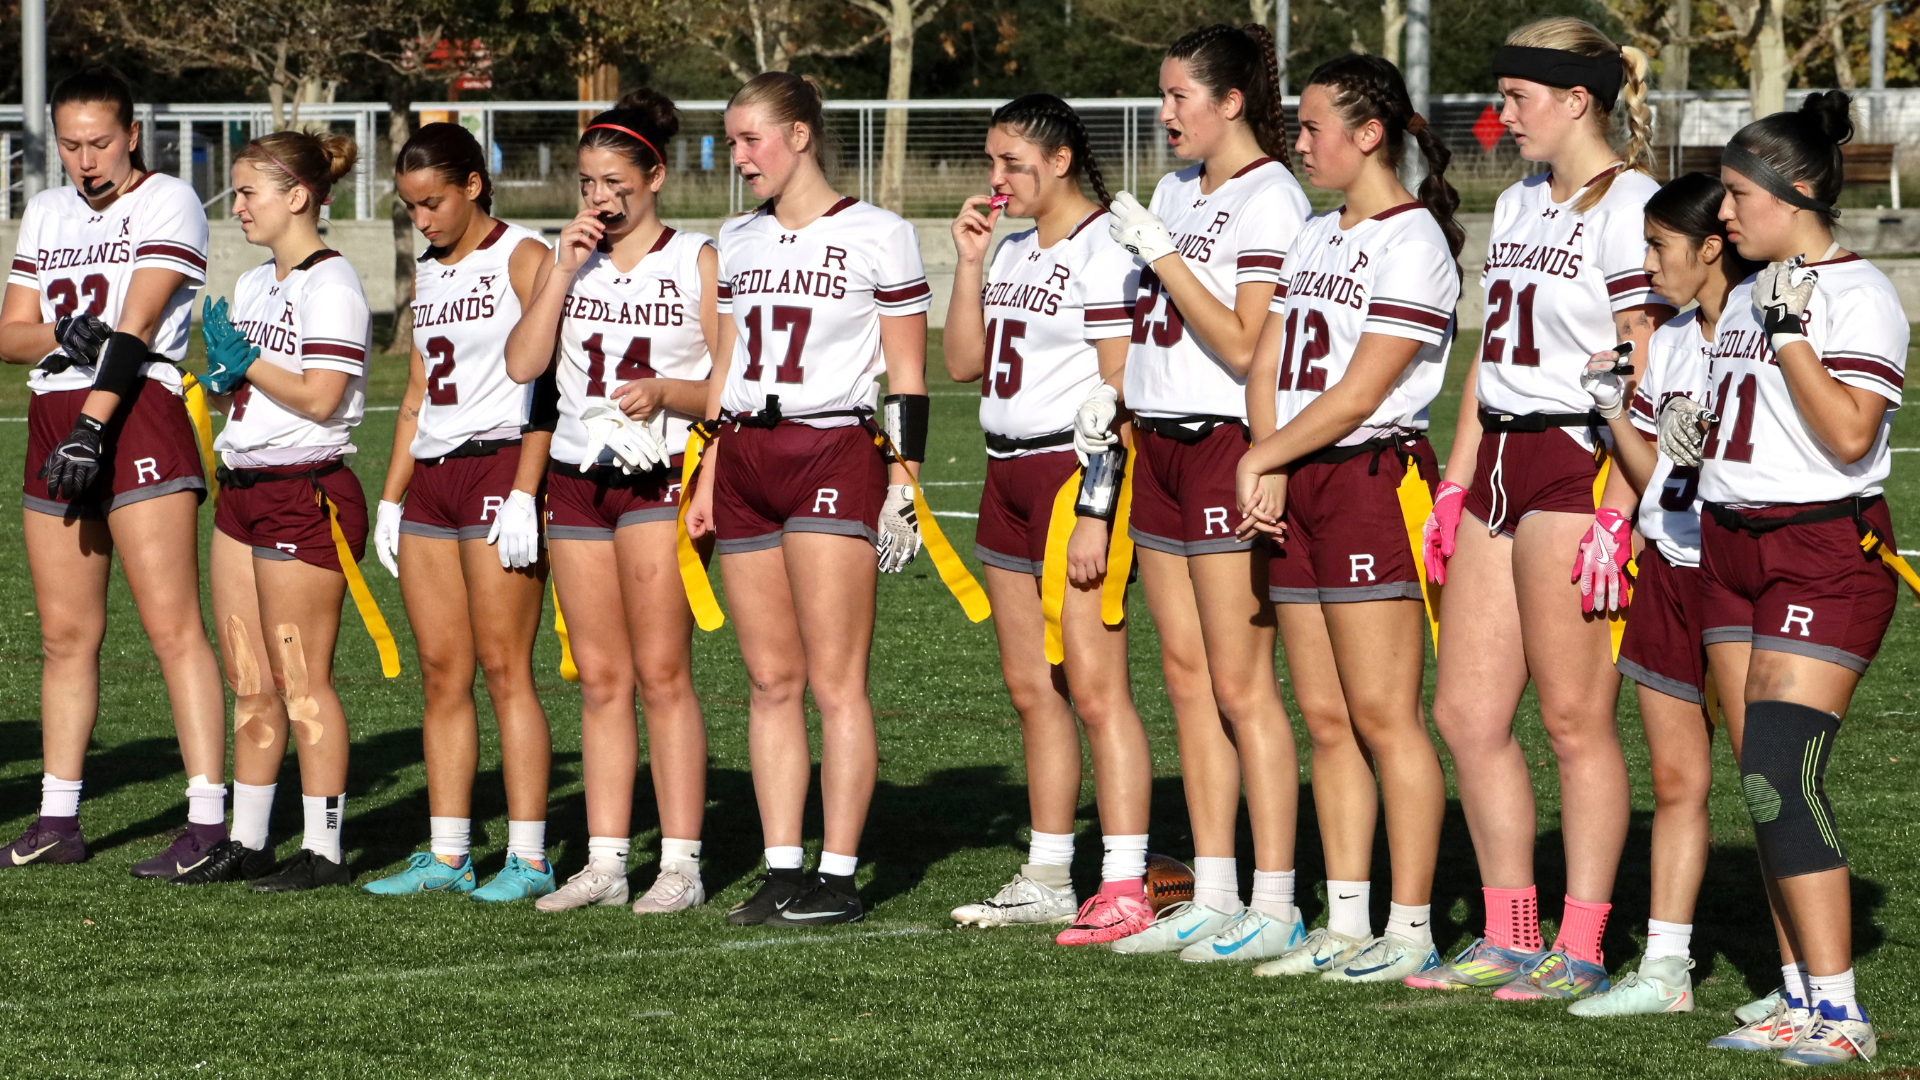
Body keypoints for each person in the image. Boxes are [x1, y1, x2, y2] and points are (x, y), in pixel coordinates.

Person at [1410, 17, 1671, 1000]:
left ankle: (1584, 943)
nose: (1503, 114)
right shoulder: (1520, 200)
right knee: (1466, 713)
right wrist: (1454, 480)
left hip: (1578, 459)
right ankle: (1510, 931)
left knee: (1572, 718)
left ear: (1576, 99)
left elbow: (1644, 362)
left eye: (1519, 97)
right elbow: (1492, 352)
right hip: (1500, 461)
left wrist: (1619, 506)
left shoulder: (1633, 205)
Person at [1687, 92, 1905, 1066]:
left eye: (1741, 194)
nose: (1726, 211)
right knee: (1759, 780)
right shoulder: (1750, 290)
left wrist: (1789, 336)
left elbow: (1850, 433)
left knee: (1782, 772)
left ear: (1799, 189)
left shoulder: (1858, 295)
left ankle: (1842, 1012)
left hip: (1820, 550)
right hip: (1730, 547)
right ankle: (1795, 993)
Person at [685, 71, 932, 927]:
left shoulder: (881, 233)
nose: (738, 156)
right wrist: (709, 469)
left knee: (836, 681)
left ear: (799, 135)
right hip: (746, 455)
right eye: (731, 140)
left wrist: (905, 482)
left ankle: (839, 875)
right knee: (768, 679)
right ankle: (783, 866)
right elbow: (725, 363)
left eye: (751, 138)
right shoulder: (737, 236)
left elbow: (908, 376)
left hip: (832, 447)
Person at [1232, 53, 1458, 984]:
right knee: (1324, 716)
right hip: (1302, 476)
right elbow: (1267, 362)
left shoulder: (1414, 240)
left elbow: (1364, 390)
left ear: (1370, 135)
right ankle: (1349, 917)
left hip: (1370, 479)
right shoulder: (1317, 231)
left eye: (1314, 125)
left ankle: (1411, 926)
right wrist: (1273, 456)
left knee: (1382, 715)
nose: (1300, 141)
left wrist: (1265, 456)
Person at [1097, 22, 1314, 961]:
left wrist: (1162, 254)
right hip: (1159, 446)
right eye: (1163, 94)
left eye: (1180, 95)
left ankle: (1276, 899)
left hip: (1226, 444)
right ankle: (1214, 891)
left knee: (1240, 684)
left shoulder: (1274, 196)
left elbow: (1244, 343)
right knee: (1186, 680)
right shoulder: (1176, 188)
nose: (1165, 112)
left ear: (1231, 102)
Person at [0, 67, 228, 879]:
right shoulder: (47, 210)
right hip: (53, 417)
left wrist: (94, 427)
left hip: (134, 411)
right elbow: (11, 333)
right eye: (69, 144)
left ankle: (208, 822)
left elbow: (137, 324)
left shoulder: (170, 199)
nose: (85, 159)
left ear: (133, 134)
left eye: (99, 142)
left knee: (172, 628)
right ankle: (58, 820)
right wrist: (62, 331)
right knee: (64, 636)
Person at [942, 94, 1155, 944]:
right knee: (1033, 688)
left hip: (1073, 475)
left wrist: (1099, 509)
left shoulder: (1105, 248)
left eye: (1012, 163)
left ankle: (1125, 883)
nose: (997, 180)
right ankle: (1047, 875)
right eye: (991, 163)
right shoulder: (1012, 248)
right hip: (1005, 474)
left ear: (1061, 159)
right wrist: (969, 263)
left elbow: (1119, 390)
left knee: (1097, 691)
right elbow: (963, 362)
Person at [504, 89, 720, 915]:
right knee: (598, 678)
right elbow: (523, 365)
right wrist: (561, 269)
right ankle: (604, 861)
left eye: (615, 184)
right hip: (575, 477)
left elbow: (726, 387)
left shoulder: (695, 259)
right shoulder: (570, 259)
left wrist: (667, 392)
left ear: (655, 177)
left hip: (657, 476)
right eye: (588, 183)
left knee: (662, 673)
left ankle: (682, 864)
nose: (599, 198)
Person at [1564, 172, 1755, 1017]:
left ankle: (1805, 981)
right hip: (1672, 569)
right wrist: (1615, 413)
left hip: (1740, 573)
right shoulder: (1672, 339)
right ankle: (1667, 969)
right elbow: (1656, 480)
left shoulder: (1757, 331)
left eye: (1658, 246)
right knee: (1676, 778)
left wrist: (1710, 449)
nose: (1646, 265)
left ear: (1711, 247)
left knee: (1769, 781)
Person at [358, 122, 558, 902]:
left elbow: (549, 383)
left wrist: (526, 489)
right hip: (434, 482)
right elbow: (415, 394)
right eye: (410, 207)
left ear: (473, 185)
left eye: (432, 202)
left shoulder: (525, 256)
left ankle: (529, 857)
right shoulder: (431, 271)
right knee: (442, 673)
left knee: (506, 668)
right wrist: (390, 497)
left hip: (500, 468)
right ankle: (448, 855)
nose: (422, 220)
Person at [186, 130, 372, 891]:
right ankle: (249, 839)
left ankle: (324, 851)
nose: (237, 206)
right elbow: (251, 391)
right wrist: (222, 381)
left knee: (302, 680)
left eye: (247, 192)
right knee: (249, 676)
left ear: (297, 196)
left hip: (306, 494)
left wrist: (249, 362)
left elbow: (322, 398)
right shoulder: (257, 282)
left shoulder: (333, 283)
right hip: (244, 492)